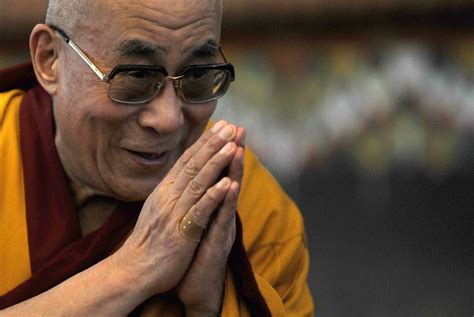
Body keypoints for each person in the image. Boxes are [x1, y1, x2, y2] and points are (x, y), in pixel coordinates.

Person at [0, 0, 313, 315]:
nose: (169, 119)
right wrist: (133, 272)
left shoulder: (251, 206)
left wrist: (209, 306)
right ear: (49, 59)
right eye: (136, 74)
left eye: (197, 75)